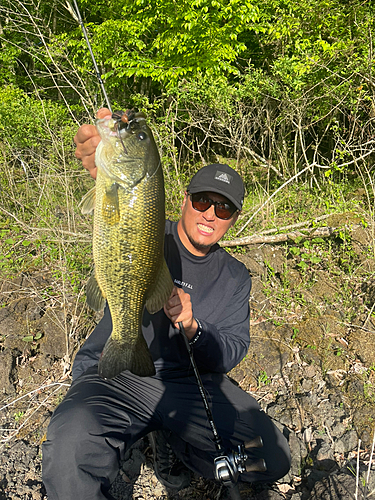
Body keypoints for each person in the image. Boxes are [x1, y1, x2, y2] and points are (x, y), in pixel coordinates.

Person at [42, 108, 291, 500]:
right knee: (67, 451)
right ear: (184, 199)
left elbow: (230, 350)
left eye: (223, 208)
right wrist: (102, 167)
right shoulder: (146, 224)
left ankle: (174, 447)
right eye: (203, 200)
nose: (210, 213)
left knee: (271, 456)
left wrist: (194, 328)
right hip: (116, 372)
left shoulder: (235, 276)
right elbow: (116, 201)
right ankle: (124, 445)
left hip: (189, 387)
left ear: (233, 218)